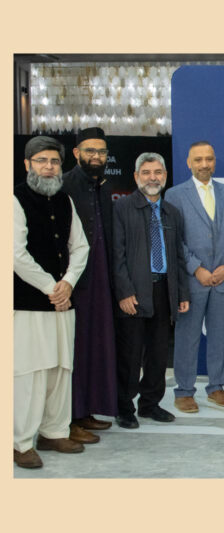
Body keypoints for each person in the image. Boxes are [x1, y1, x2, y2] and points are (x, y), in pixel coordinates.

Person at [14, 136, 90, 468]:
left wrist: (68, 283)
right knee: (30, 373)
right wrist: (51, 287)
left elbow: (81, 247)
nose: (49, 167)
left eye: (54, 162)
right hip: (28, 302)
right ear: (27, 164)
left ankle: (54, 431)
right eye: (42, 161)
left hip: (63, 302)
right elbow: (15, 254)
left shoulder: (65, 200)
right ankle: (20, 442)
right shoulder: (14, 199)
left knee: (61, 369)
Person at [165, 141, 224, 413]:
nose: (204, 164)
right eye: (198, 159)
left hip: (223, 280)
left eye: (209, 159)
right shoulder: (175, 195)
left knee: (218, 336)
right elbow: (173, 239)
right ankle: (184, 390)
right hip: (192, 281)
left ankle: (216, 387)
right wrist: (196, 268)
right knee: (187, 337)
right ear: (189, 163)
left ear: (215, 161)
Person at [112, 153, 190, 429]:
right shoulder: (122, 208)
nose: (152, 177)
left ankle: (150, 404)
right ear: (136, 177)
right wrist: (124, 292)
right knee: (131, 355)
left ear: (165, 177)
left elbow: (179, 257)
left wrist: (181, 294)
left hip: (164, 291)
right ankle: (124, 407)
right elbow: (117, 255)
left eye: (157, 172)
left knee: (158, 354)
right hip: (134, 293)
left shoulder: (172, 212)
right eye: (146, 172)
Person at [60, 127, 117, 444]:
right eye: (90, 151)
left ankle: (84, 412)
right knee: (72, 352)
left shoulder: (102, 186)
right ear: (76, 153)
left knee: (94, 348)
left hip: (100, 281)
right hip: (74, 283)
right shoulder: (64, 185)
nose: (96, 157)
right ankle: (65, 420)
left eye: (102, 152)